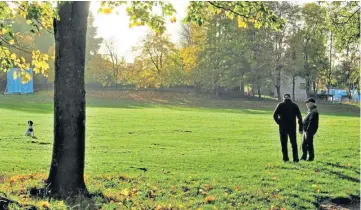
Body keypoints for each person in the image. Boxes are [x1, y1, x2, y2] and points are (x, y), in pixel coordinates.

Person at [273, 94, 303, 162]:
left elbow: (274, 115)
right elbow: (299, 117)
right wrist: (300, 128)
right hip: (292, 127)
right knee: (294, 144)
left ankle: (285, 158)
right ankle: (295, 159)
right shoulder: (294, 105)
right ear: (290, 98)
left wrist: (279, 122)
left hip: (283, 127)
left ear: (284, 98)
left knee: (284, 144)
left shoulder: (280, 105)